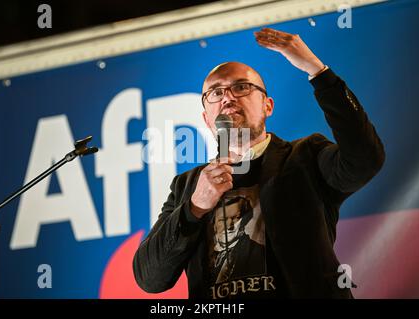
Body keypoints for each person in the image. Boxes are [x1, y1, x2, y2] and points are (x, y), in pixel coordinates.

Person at [133, 28, 385, 299]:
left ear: (268, 105)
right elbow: (150, 278)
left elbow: (365, 158)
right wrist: (194, 208)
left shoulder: (306, 156)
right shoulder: (188, 185)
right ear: (206, 119)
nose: (228, 97)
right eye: (215, 93)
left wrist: (319, 72)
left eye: (241, 87)